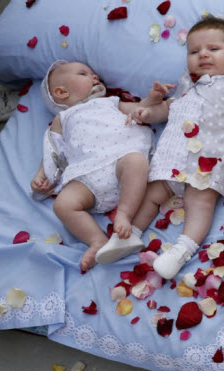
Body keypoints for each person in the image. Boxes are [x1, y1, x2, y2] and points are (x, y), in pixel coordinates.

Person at [95, 16, 224, 279]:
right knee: (151, 192)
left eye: (213, 49)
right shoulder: (185, 84)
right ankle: (132, 234)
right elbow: (169, 109)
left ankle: (182, 250)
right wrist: (148, 114)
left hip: (210, 158)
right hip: (174, 155)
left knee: (200, 200)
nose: (203, 54)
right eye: (194, 51)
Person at [30, 60, 162, 271]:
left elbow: (139, 110)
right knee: (62, 205)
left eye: (93, 75)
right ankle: (96, 240)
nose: (95, 77)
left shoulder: (109, 102)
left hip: (121, 161)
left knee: (136, 161)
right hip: (87, 174)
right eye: (84, 74)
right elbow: (53, 150)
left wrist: (151, 99)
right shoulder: (62, 118)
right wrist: (41, 175)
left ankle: (125, 214)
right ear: (62, 92)